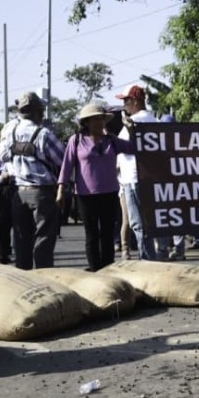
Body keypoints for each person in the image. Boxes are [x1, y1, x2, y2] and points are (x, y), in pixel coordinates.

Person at [0, 91, 65, 270]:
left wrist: (7, 174)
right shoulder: (43, 134)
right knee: (44, 239)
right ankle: (44, 274)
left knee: (21, 240)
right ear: (38, 112)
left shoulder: (9, 134)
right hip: (42, 192)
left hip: (18, 193)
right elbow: (64, 161)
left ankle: (23, 276)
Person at [57, 101, 137, 271]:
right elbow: (67, 165)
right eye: (95, 119)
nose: (100, 122)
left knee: (107, 233)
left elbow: (133, 148)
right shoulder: (76, 141)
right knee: (92, 234)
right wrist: (60, 190)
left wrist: (131, 131)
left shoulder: (112, 140)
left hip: (109, 193)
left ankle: (107, 268)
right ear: (86, 122)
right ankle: (94, 269)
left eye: (102, 119)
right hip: (86, 195)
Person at [115, 85, 159, 260]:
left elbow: (122, 149)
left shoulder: (132, 123)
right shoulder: (155, 121)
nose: (124, 105)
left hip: (133, 178)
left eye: (126, 101)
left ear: (135, 101)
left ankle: (147, 259)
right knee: (150, 221)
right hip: (151, 177)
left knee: (138, 223)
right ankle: (154, 256)